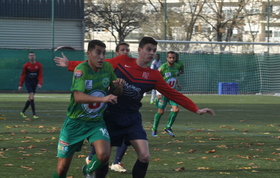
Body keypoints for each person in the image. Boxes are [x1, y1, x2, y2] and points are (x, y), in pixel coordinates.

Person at [54, 37, 215, 178]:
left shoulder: (154, 75)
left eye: (154, 50)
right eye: (148, 49)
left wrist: (195, 108)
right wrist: (70, 64)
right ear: (139, 50)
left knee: (144, 156)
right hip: (111, 115)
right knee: (103, 157)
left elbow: (173, 93)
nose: (152, 53)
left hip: (132, 118)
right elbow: (96, 63)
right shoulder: (122, 61)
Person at [52, 40, 125, 178]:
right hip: (75, 123)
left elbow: (116, 93)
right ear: (89, 53)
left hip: (96, 122)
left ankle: (87, 170)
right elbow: (78, 97)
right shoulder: (81, 70)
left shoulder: (108, 68)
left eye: (104, 53)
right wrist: (103, 99)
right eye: (98, 53)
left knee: (104, 155)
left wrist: (119, 87)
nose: (102, 57)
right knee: (62, 169)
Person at [85, 42, 130, 173]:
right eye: (122, 50)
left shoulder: (130, 66)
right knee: (103, 134)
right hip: (108, 104)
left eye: (127, 50)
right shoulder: (110, 65)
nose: (125, 52)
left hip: (125, 105)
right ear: (117, 53)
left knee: (126, 133)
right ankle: (92, 157)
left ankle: (116, 162)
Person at [151, 51, 184, 137]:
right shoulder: (163, 67)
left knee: (176, 110)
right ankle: (154, 129)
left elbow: (174, 77)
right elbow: (156, 79)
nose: (172, 59)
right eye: (170, 58)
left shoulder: (176, 66)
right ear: (167, 58)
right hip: (163, 93)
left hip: (172, 93)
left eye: (173, 58)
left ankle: (168, 127)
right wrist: (158, 92)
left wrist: (178, 84)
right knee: (161, 112)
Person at [18, 51, 43, 119]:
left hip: (34, 83)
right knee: (32, 97)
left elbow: (40, 75)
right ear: (28, 57)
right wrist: (20, 85)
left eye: (33, 55)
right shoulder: (26, 65)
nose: (32, 56)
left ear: (35, 56)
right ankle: (34, 114)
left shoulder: (39, 65)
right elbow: (23, 75)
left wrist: (40, 83)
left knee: (30, 99)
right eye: (30, 55)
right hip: (28, 82)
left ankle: (23, 111)